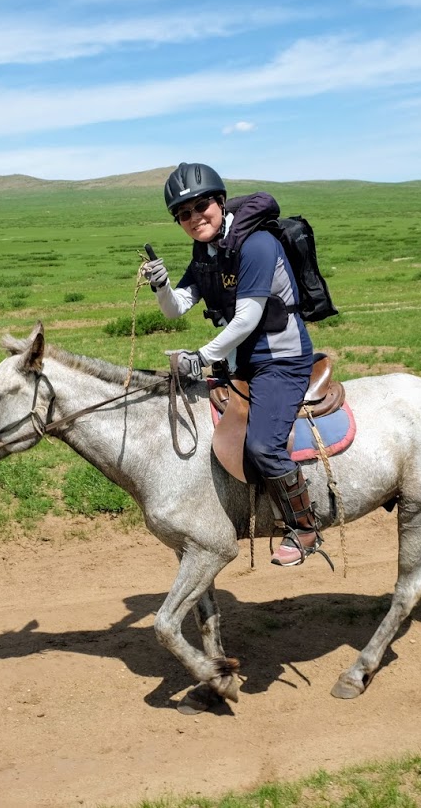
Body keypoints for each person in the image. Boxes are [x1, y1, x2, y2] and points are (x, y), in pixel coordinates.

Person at [142, 162, 322, 567]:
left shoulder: (257, 244)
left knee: (264, 445)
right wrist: (162, 285)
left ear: (220, 203)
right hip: (240, 364)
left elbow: (248, 317)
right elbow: (176, 309)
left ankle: (304, 527)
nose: (193, 218)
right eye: (182, 214)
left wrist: (201, 357)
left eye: (200, 206)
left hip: (280, 361)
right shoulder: (205, 252)